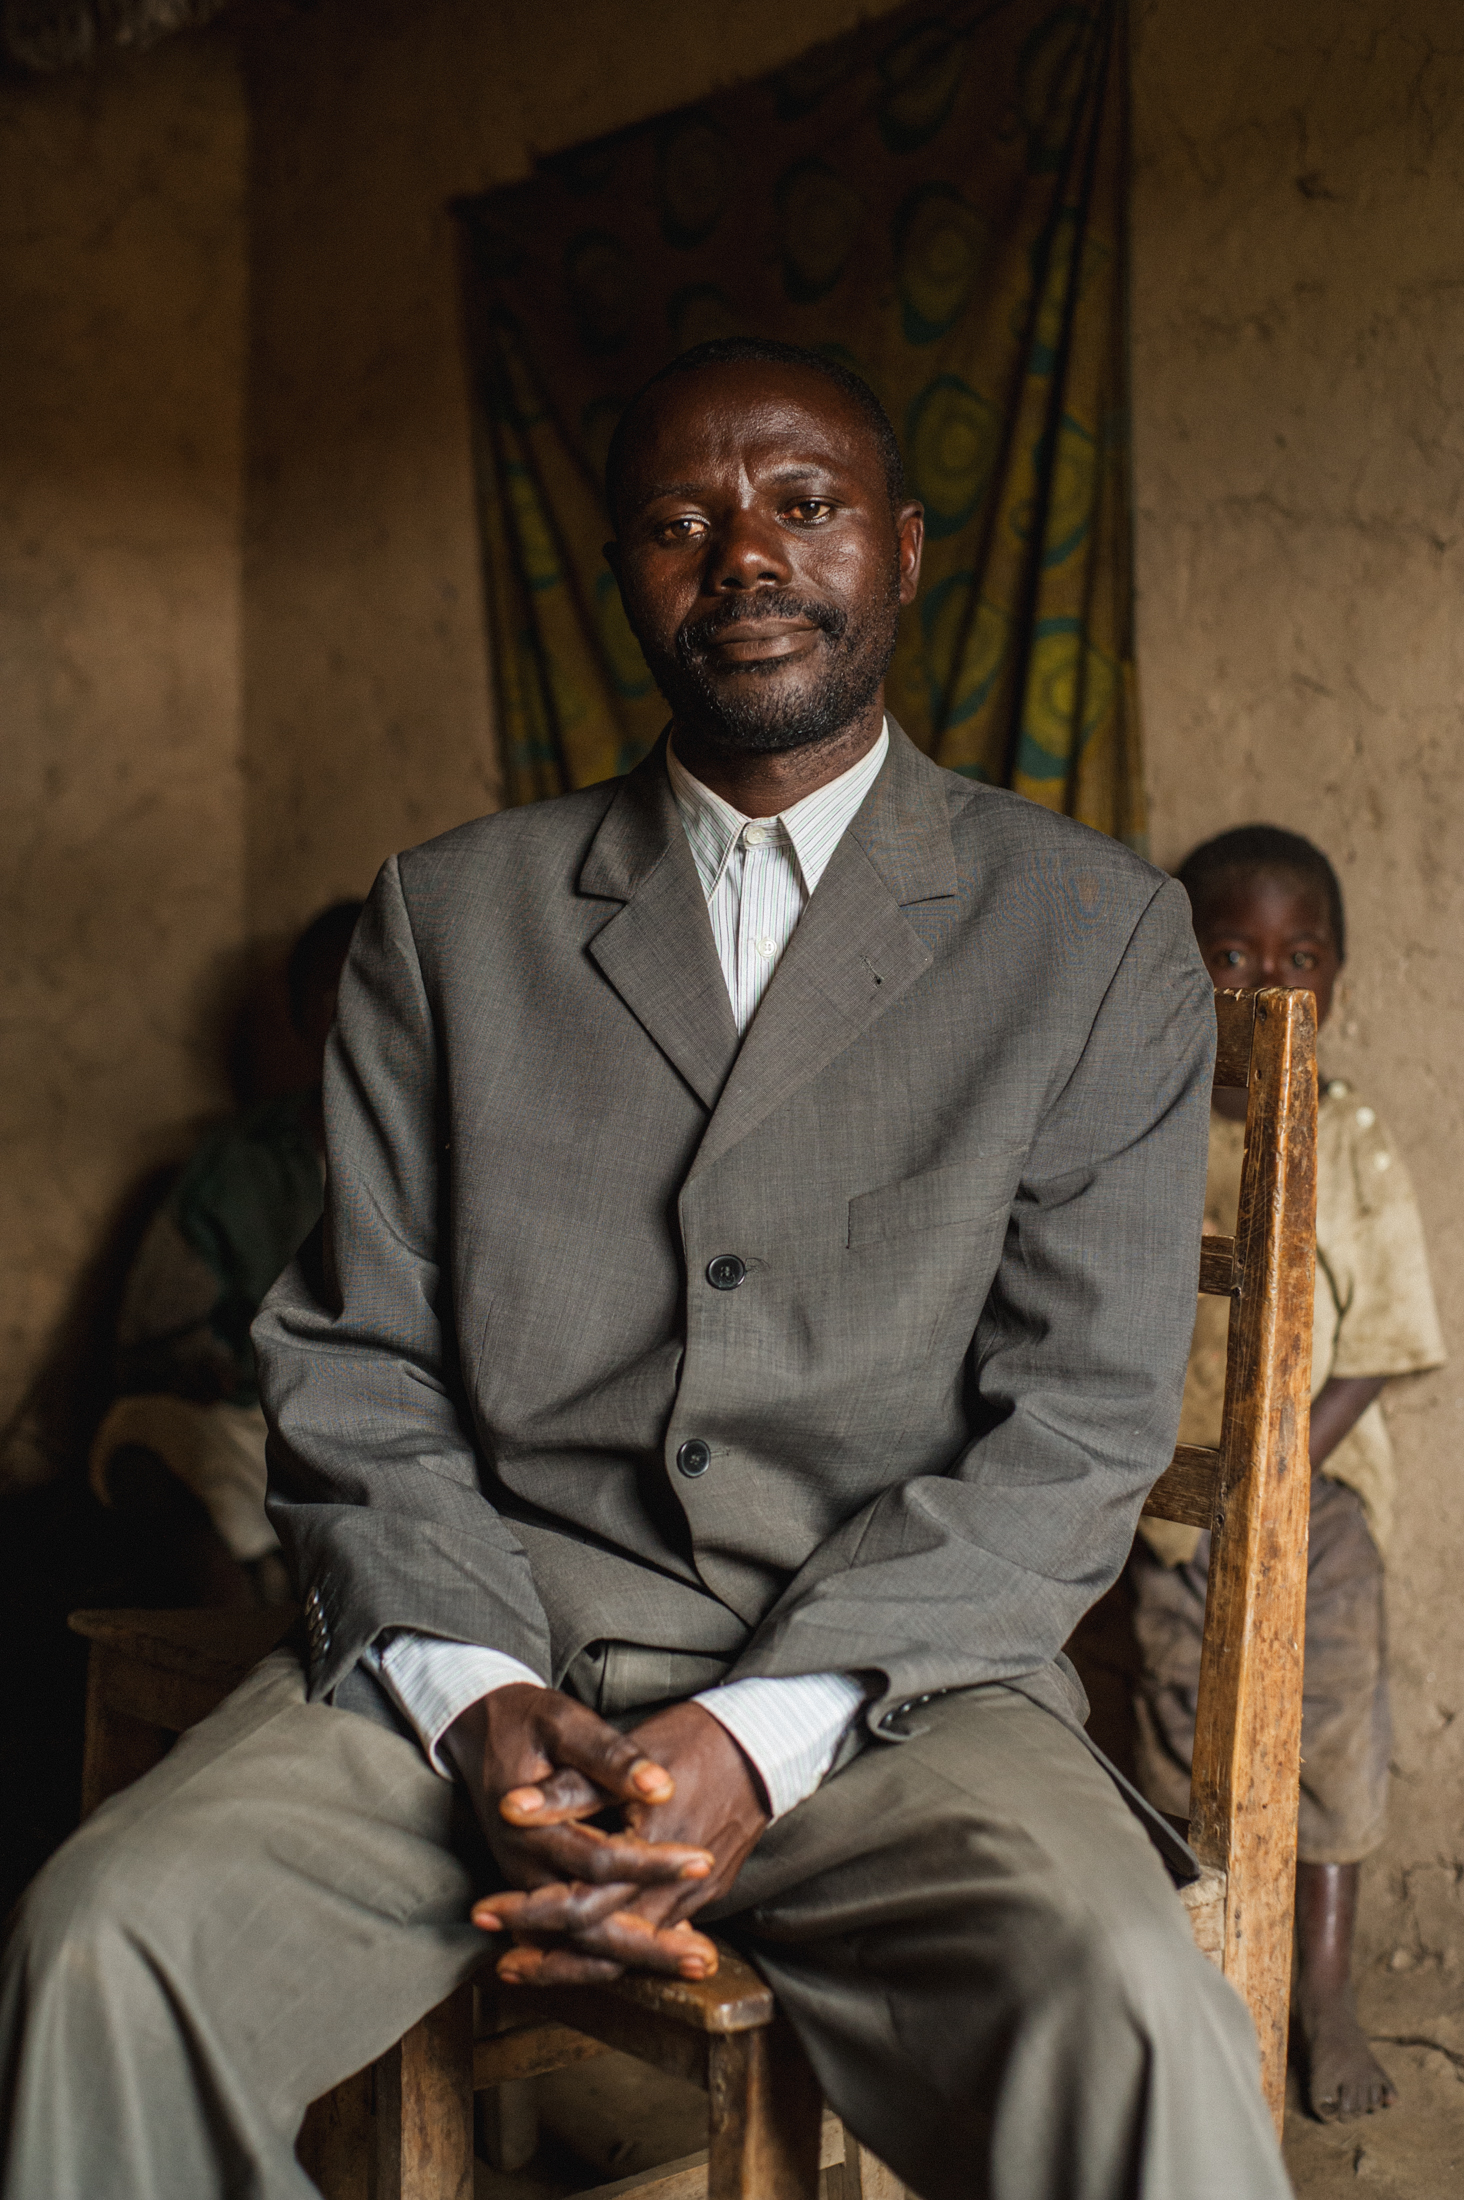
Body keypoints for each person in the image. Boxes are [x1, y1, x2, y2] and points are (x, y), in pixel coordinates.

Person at [0, 340, 1290, 2200]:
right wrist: (469, 1700)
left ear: (904, 549)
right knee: (101, 1949)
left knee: (1137, 2015)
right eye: (680, 523)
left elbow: (1076, 1427)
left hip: (893, 1695)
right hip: (490, 1656)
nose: (744, 556)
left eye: (803, 505)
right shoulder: (451, 918)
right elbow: (358, 1365)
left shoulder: (1092, 932)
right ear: (623, 572)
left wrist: (760, 1737)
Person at [1129, 825, 1444, 2123]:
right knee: (1175, 1735)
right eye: (1231, 955)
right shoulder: (1142, 1128)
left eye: (1300, 959)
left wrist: (1273, 1474)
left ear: (1340, 982)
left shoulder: (1350, 1137)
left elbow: (1378, 1347)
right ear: (1178, 967)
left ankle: (1325, 1993)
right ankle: (1203, 1991)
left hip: (1317, 1503)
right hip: (1167, 1513)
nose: (1268, 984)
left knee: (1330, 1733)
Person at [88, 901, 364, 1607]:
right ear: (299, 1016)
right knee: (141, 1434)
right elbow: (152, 1334)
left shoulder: (451, 1152)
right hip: (259, 1415)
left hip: (391, 1418)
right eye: (330, 994)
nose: (355, 1012)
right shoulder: (236, 1162)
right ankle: (233, 1628)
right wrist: (205, 1363)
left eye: (375, 983)